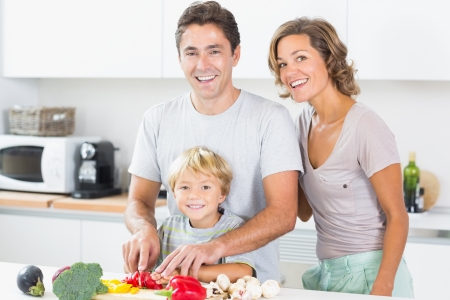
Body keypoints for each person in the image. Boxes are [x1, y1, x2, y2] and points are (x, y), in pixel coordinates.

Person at [123, 1, 303, 282]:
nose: (202, 64)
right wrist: (143, 229)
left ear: (235, 55)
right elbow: (138, 200)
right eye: (191, 53)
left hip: (252, 288)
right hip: (180, 287)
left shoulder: (270, 119)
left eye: (214, 51)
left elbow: (284, 213)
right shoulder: (157, 119)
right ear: (180, 58)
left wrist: (214, 248)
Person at [267, 17, 414, 297]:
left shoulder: (365, 126)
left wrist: (382, 287)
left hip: (373, 273)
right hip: (328, 274)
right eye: (283, 63)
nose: (289, 71)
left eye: (301, 58)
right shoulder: (301, 125)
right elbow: (304, 211)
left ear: (329, 59)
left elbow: (398, 216)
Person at [150, 146, 254, 284]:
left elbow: (243, 271)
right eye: (185, 187)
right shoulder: (168, 227)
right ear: (174, 194)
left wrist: (184, 272)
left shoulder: (233, 227)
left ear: (222, 194)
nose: (194, 195)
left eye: (205, 187)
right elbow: (155, 273)